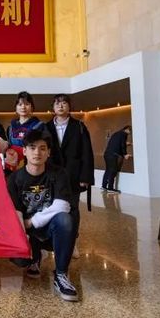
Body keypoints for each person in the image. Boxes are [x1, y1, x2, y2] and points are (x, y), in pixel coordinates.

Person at [7, 130, 78, 302]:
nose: (37, 152)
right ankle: (35, 257)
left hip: (49, 228)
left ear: (49, 152)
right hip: (28, 230)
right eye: (32, 148)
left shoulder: (59, 173)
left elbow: (62, 205)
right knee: (20, 260)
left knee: (65, 219)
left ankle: (61, 275)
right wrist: (22, 238)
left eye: (42, 148)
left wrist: (31, 222)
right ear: (24, 151)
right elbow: (16, 212)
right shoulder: (14, 179)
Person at [45, 94, 94, 259]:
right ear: (53, 107)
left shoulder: (79, 126)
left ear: (69, 107)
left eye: (64, 103)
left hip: (73, 176)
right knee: (51, 208)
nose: (61, 106)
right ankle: (50, 242)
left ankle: (71, 243)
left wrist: (85, 177)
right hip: (51, 176)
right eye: (57, 103)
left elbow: (87, 152)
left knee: (72, 209)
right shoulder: (46, 127)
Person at [6, 91, 45, 172]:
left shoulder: (39, 126)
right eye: (20, 104)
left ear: (32, 107)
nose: (23, 107)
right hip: (13, 165)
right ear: (16, 108)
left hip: (32, 165)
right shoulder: (11, 127)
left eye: (27, 104)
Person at [102, 125, 132, 193]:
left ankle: (104, 186)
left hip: (107, 154)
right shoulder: (124, 134)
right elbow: (122, 145)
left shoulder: (116, 133)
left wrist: (126, 144)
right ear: (127, 129)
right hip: (113, 155)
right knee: (113, 170)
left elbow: (117, 143)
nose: (129, 133)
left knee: (108, 170)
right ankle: (110, 188)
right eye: (130, 131)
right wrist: (125, 154)